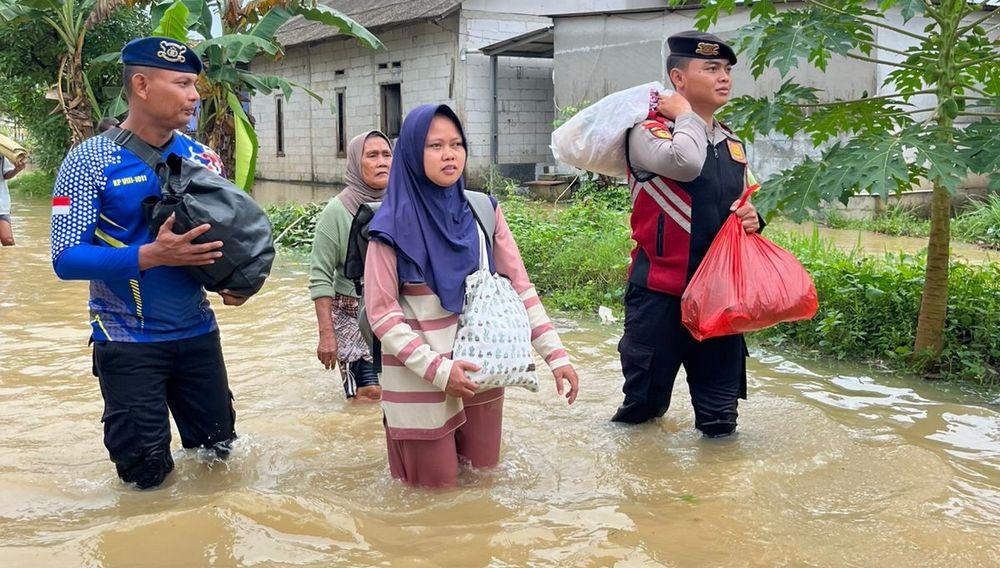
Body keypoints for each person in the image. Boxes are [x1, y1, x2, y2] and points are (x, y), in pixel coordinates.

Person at [50, 37, 245, 489]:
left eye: (194, 83)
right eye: (182, 83)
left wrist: (232, 282)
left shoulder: (203, 158)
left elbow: (221, 242)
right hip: (127, 340)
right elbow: (66, 258)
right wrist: (150, 255)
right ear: (141, 85)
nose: (194, 95)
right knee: (145, 479)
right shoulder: (88, 161)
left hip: (199, 335)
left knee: (219, 460)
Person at [363, 104, 580, 488]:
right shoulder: (390, 227)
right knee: (435, 497)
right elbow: (382, 315)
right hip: (420, 382)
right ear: (413, 153)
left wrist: (556, 355)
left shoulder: (483, 212)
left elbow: (519, 288)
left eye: (456, 143)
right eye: (435, 146)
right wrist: (440, 371)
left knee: (483, 482)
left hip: (481, 372)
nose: (450, 154)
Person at [611, 31, 764, 438]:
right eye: (711, 68)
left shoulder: (733, 144)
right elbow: (687, 163)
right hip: (659, 297)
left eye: (727, 70)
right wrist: (685, 116)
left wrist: (753, 219)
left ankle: (716, 499)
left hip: (718, 300)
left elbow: (735, 204)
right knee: (643, 412)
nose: (724, 77)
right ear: (678, 79)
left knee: (721, 421)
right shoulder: (647, 133)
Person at [310, 130, 393, 402]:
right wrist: (326, 335)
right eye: (372, 155)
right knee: (368, 394)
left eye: (387, 154)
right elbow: (320, 276)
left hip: (396, 308)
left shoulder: (404, 205)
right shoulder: (337, 212)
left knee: (400, 392)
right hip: (351, 310)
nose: (382, 161)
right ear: (357, 163)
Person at [0, 154, 26, 246]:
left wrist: (17, 169)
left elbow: (5, 174)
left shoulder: (2, 153)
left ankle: (10, 259)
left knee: (7, 240)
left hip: (1, 203)